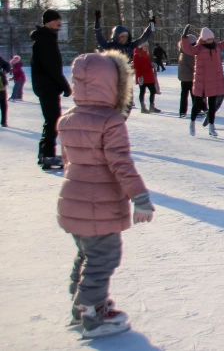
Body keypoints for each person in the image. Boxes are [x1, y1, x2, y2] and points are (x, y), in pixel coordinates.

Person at [56, 50, 154, 339]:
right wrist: (140, 198)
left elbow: (66, 161)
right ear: (114, 85)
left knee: (87, 254)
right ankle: (90, 309)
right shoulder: (111, 121)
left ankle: (82, 303)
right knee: (104, 256)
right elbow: (121, 165)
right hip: (99, 203)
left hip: (72, 201)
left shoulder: (68, 118)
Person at [180, 19, 224, 137]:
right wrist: (184, 37)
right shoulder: (199, 48)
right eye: (208, 39)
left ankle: (212, 126)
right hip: (201, 82)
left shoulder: (217, 47)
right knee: (197, 105)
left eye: (211, 38)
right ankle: (192, 123)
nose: (210, 40)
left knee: (212, 106)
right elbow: (187, 49)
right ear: (203, 39)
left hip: (214, 81)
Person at [31, 9, 72, 170]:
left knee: (51, 120)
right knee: (53, 120)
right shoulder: (45, 40)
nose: (59, 23)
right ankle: (47, 154)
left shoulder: (45, 38)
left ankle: (44, 154)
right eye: (56, 20)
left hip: (46, 85)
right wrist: (65, 86)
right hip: (47, 86)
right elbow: (52, 67)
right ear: (48, 21)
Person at [132, 43, 160, 114]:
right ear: (141, 46)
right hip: (143, 77)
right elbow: (136, 67)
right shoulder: (137, 55)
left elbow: (147, 63)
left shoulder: (145, 54)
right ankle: (143, 107)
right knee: (142, 92)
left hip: (149, 76)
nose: (147, 47)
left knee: (153, 91)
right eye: (145, 46)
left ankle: (152, 106)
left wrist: (151, 65)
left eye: (147, 46)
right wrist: (139, 76)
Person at [177, 32, 197, 118]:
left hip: (184, 77)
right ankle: (197, 110)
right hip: (189, 77)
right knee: (194, 94)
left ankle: (182, 111)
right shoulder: (189, 53)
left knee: (184, 95)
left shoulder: (182, 51)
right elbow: (192, 65)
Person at [0, 55, 8, 127]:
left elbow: (7, 65)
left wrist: (4, 72)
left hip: (1, 86)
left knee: (3, 104)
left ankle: (4, 121)